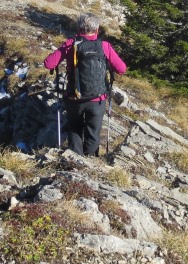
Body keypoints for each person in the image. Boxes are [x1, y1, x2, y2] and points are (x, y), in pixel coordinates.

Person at [44, 13, 126, 157]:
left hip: (74, 98)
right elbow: (121, 69)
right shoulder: (104, 46)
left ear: (79, 28)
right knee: (93, 132)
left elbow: (48, 63)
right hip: (98, 99)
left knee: (74, 128)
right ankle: (90, 160)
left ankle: (75, 159)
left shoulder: (71, 44)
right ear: (97, 29)